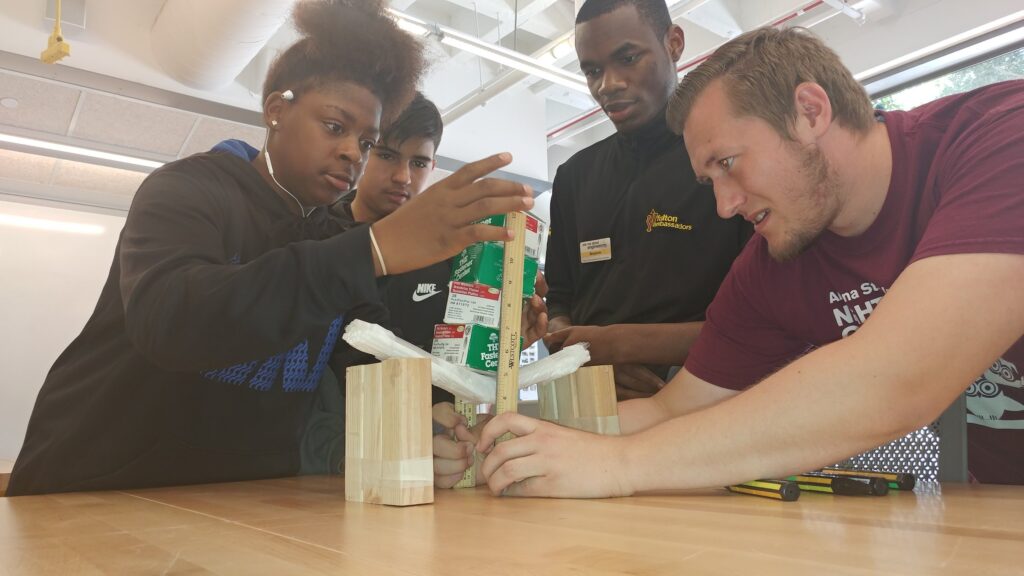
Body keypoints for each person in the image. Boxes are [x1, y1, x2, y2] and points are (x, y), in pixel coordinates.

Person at [7, 0, 540, 496]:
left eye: (366, 140)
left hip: (239, 502)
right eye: (335, 126)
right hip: (93, 488)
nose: (352, 152)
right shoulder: (187, 189)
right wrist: (371, 250)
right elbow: (168, 319)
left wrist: (425, 423)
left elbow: (368, 367)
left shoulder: (336, 241)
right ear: (275, 111)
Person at [472, 27, 1024, 497]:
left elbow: (900, 377)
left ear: (810, 111)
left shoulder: (1001, 136)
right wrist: (507, 433)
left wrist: (619, 467)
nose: (725, 204)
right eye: (710, 179)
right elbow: (673, 411)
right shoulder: (774, 263)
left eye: (728, 163)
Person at [297, 93, 548, 477]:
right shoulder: (313, 238)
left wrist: (508, 338)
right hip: (333, 454)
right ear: (362, 152)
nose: (403, 176)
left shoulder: (458, 254)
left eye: (418, 162)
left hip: (440, 453)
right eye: (386, 155)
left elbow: (464, 363)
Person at [542, 0, 752, 400]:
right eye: (592, 70)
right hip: (590, 405)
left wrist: (618, 346)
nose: (608, 84)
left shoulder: (726, 162)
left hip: (706, 403)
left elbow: (761, 320)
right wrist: (582, 358)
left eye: (627, 58)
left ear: (673, 43)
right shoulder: (574, 177)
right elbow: (560, 301)